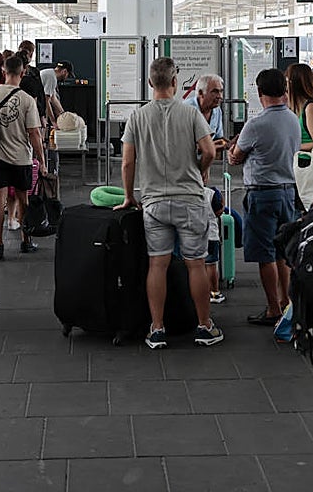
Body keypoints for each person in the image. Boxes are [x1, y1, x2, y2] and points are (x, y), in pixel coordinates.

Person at [117, 57, 223, 349]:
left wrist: (129, 196)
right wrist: (201, 169)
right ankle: (204, 326)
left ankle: (157, 329)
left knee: (158, 264)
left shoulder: (137, 117)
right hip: (189, 199)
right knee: (196, 264)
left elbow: (128, 162)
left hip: (153, 202)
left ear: (150, 83)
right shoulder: (190, 115)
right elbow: (209, 150)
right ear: (175, 82)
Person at [227, 67, 300, 326]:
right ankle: (286, 301)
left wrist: (232, 149)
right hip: (288, 192)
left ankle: (272, 309)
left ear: (259, 92)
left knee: (265, 253)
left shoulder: (256, 124)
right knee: (283, 252)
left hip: (262, 194)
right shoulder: (293, 119)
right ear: (284, 90)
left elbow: (236, 157)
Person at [0, 55, 46, 260]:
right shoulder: (27, 100)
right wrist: (42, 161)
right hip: (21, 158)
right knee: (22, 200)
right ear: (23, 72)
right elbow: (34, 134)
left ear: (3, 71)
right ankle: (25, 241)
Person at [287, 63, 313, 153]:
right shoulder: (302, 107)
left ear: (293, 83)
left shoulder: (312, 108)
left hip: (310, 164)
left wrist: (292, 146)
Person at [185, 73, 227, 156]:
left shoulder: (217, 110)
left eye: (221, 91)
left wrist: (229, 144)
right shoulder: (186, 110)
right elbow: (182, 146)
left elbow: (218, 138)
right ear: (201, 93)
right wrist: (210, 147)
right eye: (215, 92)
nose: (220, 96)